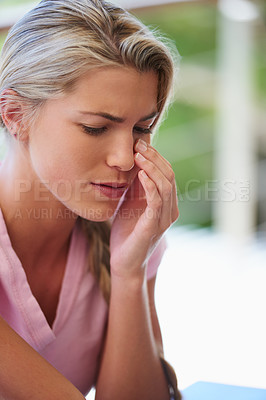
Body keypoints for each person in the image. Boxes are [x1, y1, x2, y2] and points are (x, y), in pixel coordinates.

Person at [0, 0, 181, 399]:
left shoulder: (130, 233)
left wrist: (129, 272)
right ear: (14, 115)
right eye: (96, 128)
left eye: (142, 128)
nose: (124, 159)